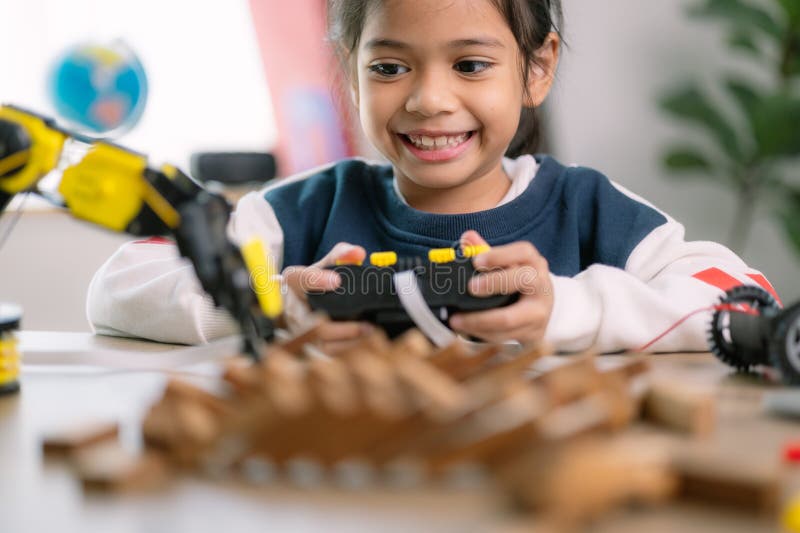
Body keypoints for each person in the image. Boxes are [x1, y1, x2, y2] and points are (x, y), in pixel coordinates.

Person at [87, 0, 779, 354]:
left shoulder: (584, 207)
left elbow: (749, 300)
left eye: (470, 65)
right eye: (389, 68)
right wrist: (270, 302)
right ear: (351, 71)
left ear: (537, 67)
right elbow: (119, 281)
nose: (428, 100)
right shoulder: (309, 207)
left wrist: (572, 309)